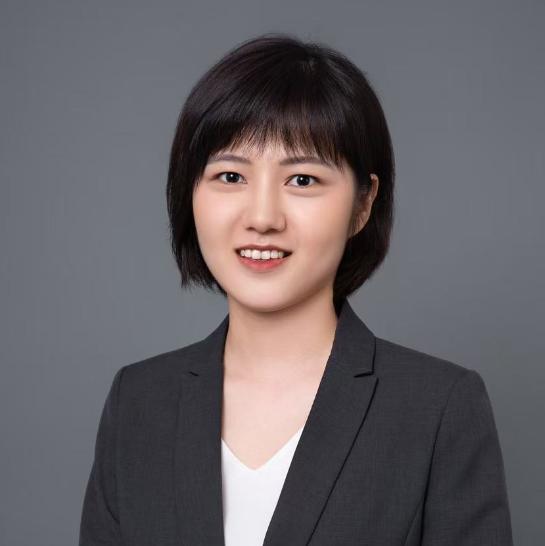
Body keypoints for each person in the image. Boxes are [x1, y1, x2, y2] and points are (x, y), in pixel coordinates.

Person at [79, 33, 514, 546]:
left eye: (302, 180)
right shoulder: (139, 401)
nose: (262, 217)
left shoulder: (438, 408)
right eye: (230, 176)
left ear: (363, 204)